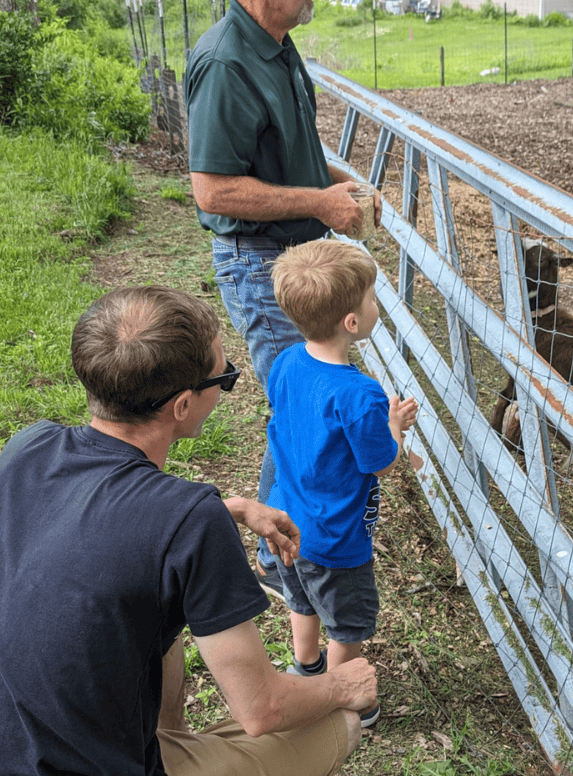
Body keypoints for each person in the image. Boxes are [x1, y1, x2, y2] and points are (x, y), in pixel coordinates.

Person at [0, 285, 377, 776]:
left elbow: (108, 525)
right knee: (340, 718)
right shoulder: (189, 518)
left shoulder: (29, 446)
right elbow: (262, 710)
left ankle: (165, 740)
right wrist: (343, 684)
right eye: (225, 376)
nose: (226, 384)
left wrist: (234, 507)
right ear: (182, 406)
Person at [184, 0, 381, 594]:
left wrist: (338, 181)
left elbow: (283, 151)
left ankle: (283, 547)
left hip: (288, 250)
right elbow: (213, 191)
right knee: (304, 402)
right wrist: (318, 205)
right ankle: (284, 560)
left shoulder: (276, 43)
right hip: (259, 258)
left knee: (299, 400)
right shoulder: (227, 62)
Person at [266, 241, 418, 727]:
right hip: (335, 538)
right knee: (346, 626)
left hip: (286, 518)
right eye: (372, 298)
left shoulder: (287, 361)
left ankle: (305, 666)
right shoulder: (359, 394)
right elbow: (380, 462)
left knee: (300, 598)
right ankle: (346, 700)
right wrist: (393, 425)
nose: (377, 305)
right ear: (352, 323)